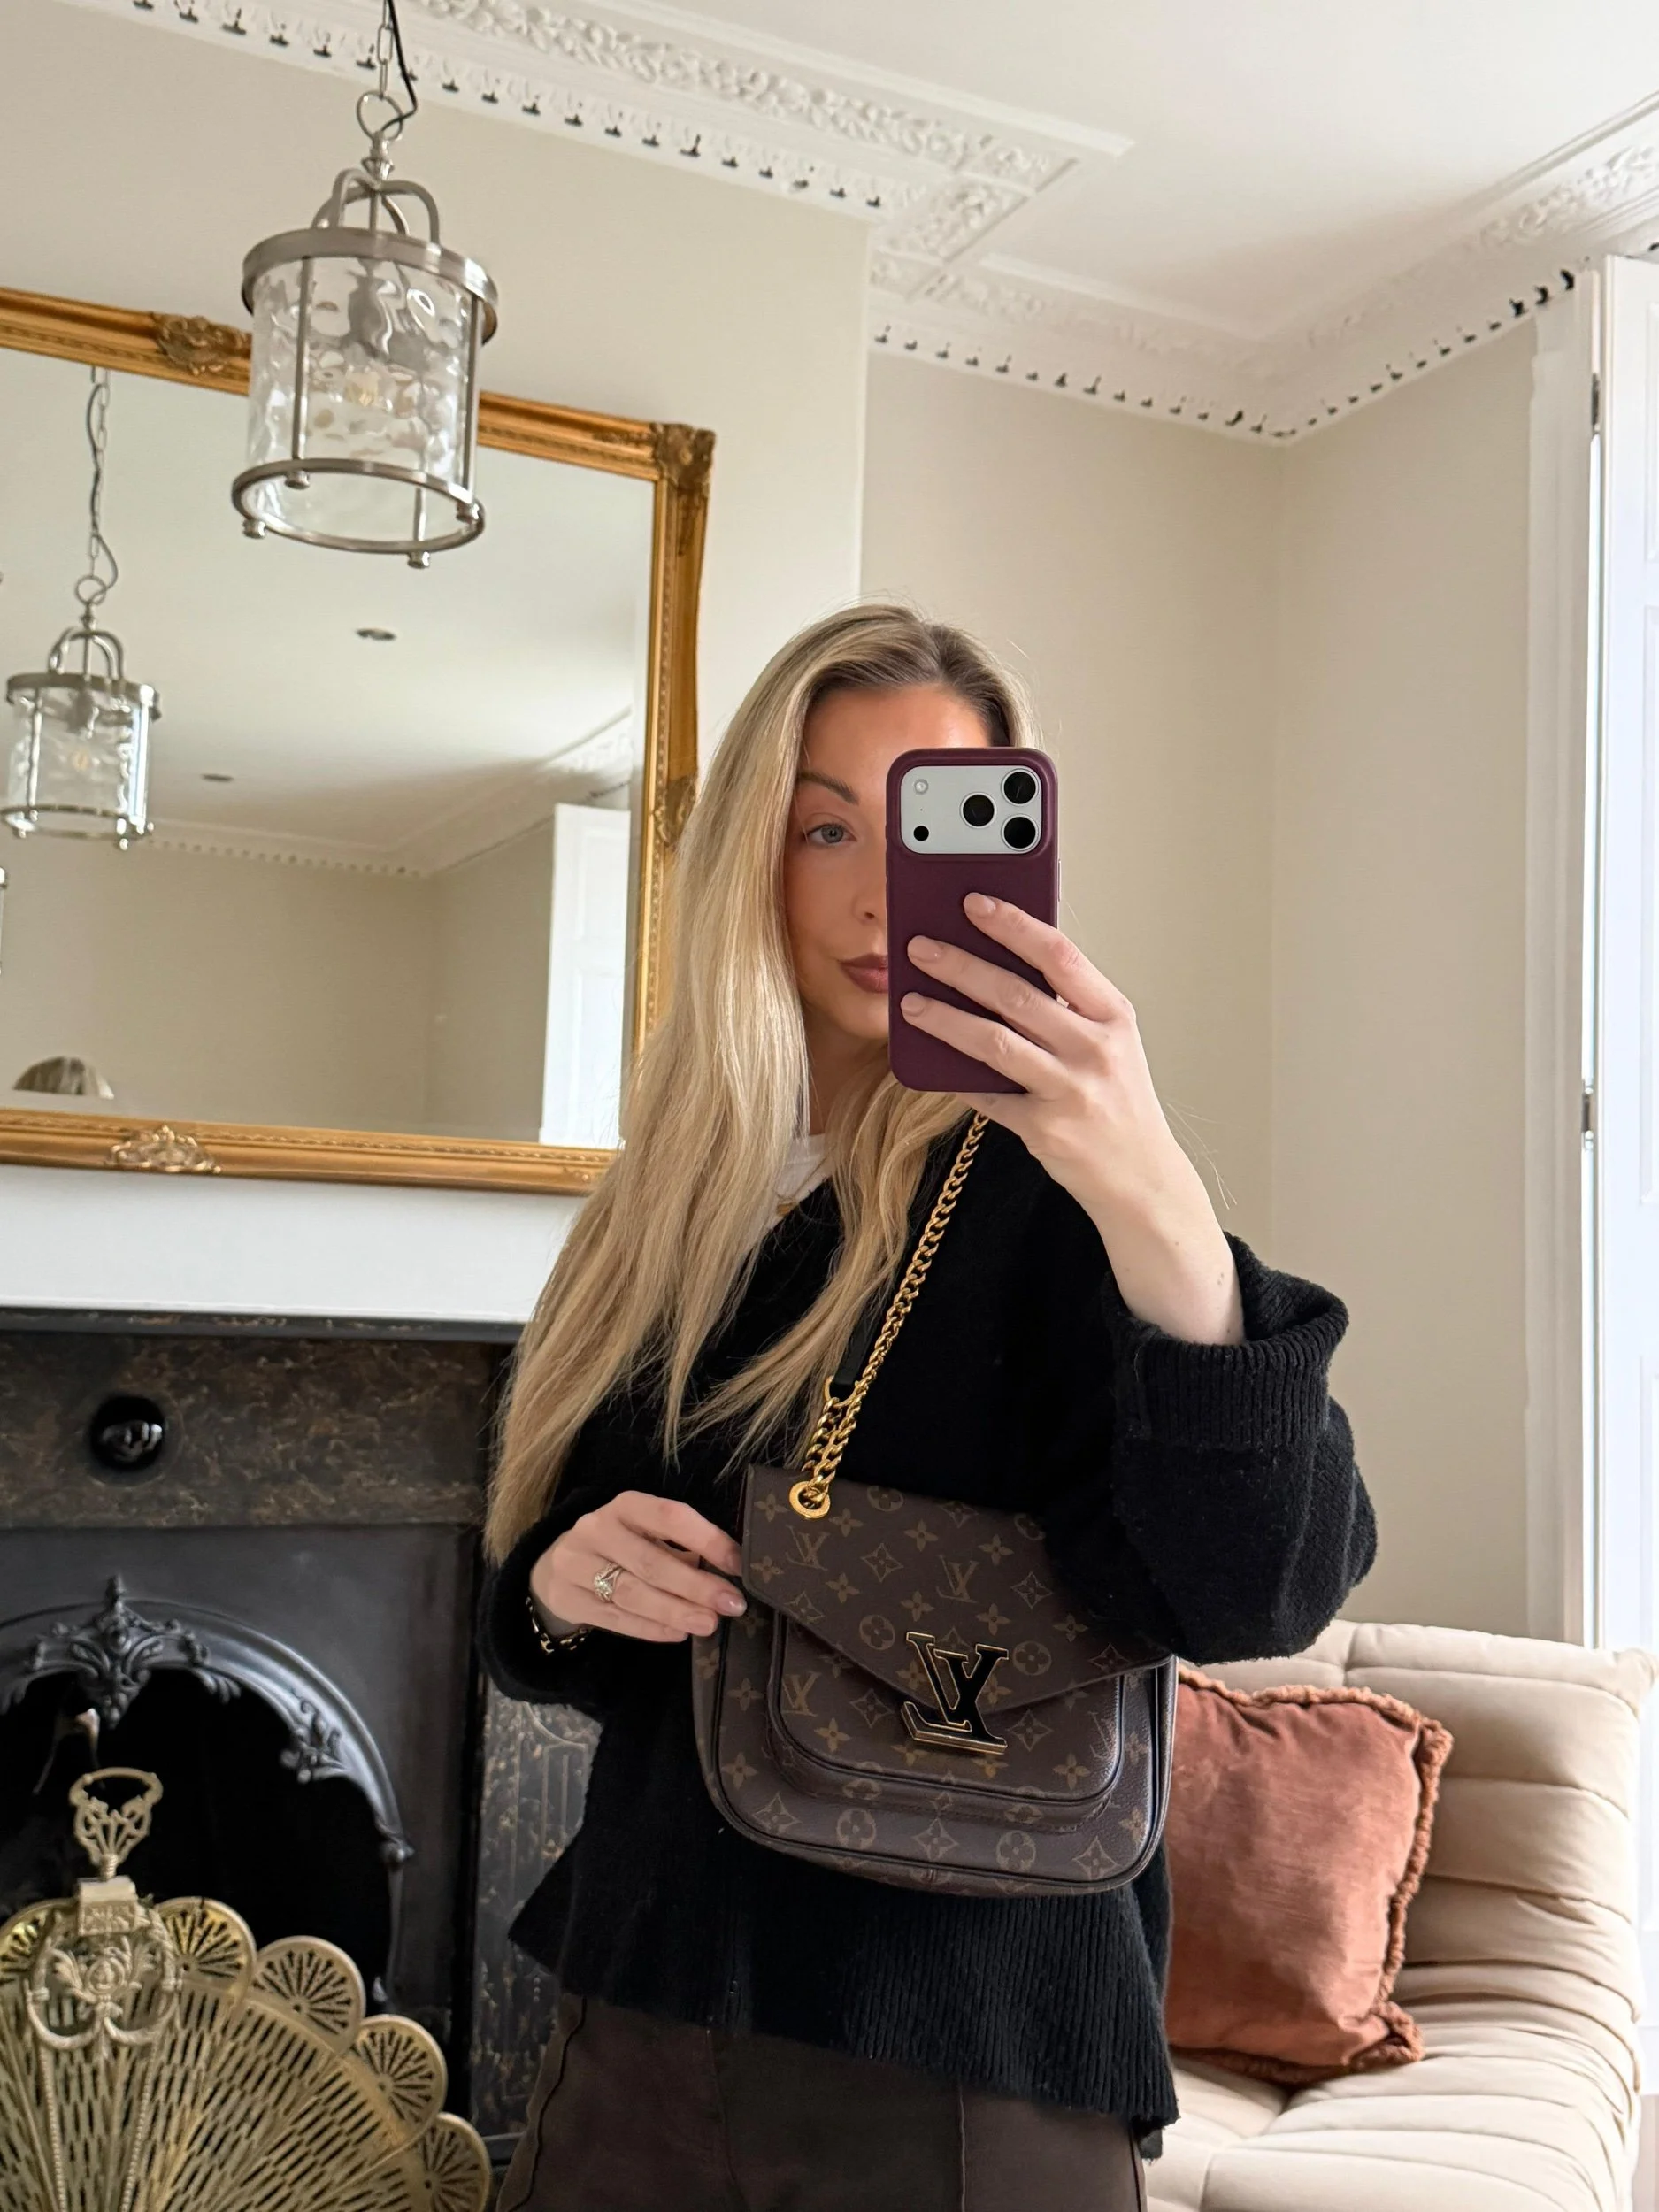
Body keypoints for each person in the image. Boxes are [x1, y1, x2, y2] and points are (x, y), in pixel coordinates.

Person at [480, 604, 1373, 2212]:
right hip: (644, 2006)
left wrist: (1155, 1197)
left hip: (969, 2058)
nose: (885, 888)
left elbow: (1255, 1590)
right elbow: (565, 1621)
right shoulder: (668, 1208)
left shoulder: (1054, 1193)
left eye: (935, 827)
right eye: (826, 826)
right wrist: (558, 1587)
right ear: (747, 859)